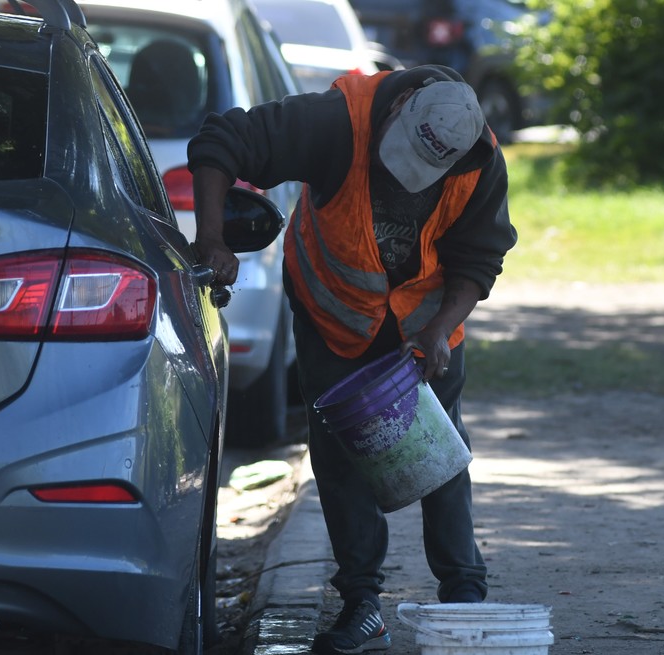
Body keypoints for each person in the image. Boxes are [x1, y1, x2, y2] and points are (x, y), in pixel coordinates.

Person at [187, 64, 517, 655]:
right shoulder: (337, 120)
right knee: (342, 462)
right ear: (400, 110)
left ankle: (465, 598)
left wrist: (442, 327)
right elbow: (221, 141)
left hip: (424, 327)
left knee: (440, 457)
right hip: (333, 316)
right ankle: (363, 606)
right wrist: (210, 236)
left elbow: (480, 258)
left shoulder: (477, 159)